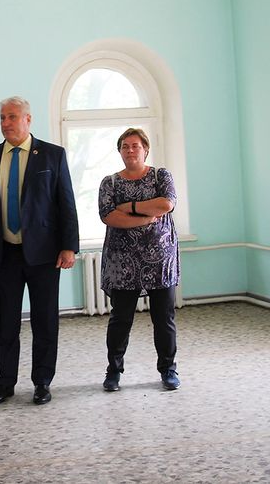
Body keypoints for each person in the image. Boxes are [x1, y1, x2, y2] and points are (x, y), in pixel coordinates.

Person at [0, 96, 79, 405]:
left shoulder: (52, 155)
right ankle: (5, 383)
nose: (6, 123)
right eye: (2, 117)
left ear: (28, 119)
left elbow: (66, 203)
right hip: (5, 254)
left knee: (45, 321)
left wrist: (69, 246)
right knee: (6, 324)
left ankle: (42, 382)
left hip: (45, 255)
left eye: (12, 117)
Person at [98, 127, 181, 392]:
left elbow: (166, 204)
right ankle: (113, 371)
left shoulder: (161, 176)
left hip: (160, 261)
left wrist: (130, 207)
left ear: (145, 149)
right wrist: (146, 217)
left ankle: (168, 369)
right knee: (120, 320)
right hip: (122, 263)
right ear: (120, 151)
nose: (130, 150)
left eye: (135, 145)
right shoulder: (110, 183)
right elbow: (109, 216)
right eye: (125, 146)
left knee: (164, 318)